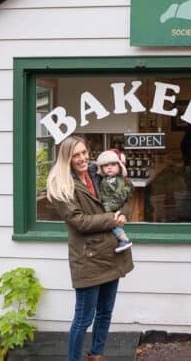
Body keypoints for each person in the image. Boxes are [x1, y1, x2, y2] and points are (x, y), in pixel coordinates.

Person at [46, 136, 134, 361]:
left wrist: (123, 213)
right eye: (76, 155)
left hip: (111, 253)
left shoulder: (99, 171)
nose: (83, 158)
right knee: (84, 319)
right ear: (66, 158)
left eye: (84, 152)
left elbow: (124, 192)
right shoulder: (61, 185)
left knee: (105, 312)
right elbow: (79, 222)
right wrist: (112, 220)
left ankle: (96, 355)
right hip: (88, 258)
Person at [96, 150, 133, 253]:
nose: (109, 167)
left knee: (113, 222)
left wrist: (107, 207)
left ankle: (124, 239)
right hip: (108, 206)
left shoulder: (121, 181)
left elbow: (120, 196)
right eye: (105, 165)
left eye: (113, 164)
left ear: (120, 166)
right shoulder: (104, 180)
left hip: (114, 208)